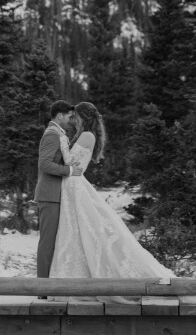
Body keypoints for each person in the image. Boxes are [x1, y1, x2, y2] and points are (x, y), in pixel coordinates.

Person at [50, 101, 172, 280]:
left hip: (74, 184)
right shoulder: (85, 135)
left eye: (76, 117)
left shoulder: (86, 135)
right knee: (75, 228)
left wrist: (60, 142)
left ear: (83, 117)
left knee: (83, 227)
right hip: (71, 184)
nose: (73, 120)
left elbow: (69, 161)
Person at [34, 100, 86, 278]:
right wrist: (69, 170)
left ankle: (51, 282)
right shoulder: (52, 134)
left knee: (55, 242)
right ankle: (42, 285)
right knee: (47, 242)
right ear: (59, 116)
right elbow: (44, 164)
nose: (71, 121)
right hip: (49, 195)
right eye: (69, 117)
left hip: (56, 195)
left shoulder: (58, 134)